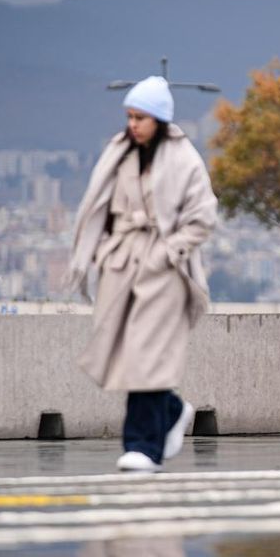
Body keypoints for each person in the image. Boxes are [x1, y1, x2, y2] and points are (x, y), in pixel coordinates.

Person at [66, 76, 218, 471]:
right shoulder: (118, 153)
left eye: (141, 118)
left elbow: (203, 216)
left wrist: (168, 252)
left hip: (163, 271)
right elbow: (97, 206)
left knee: (146, 357)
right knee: (129, 354)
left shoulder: (184, 158)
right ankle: (172, 410)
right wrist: (102, 251)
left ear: (160, 119)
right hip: (121, 266)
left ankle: (143, 447)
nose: (133, 124)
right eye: (130, 117)